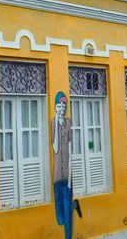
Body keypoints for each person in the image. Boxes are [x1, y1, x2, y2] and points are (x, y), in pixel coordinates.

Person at [51, 91, 73, 239]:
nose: (62, 107)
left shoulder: (69, 122)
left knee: (67, 208)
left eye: (64, 104)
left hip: (67, 175)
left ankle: (68, 236)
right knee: (60, 211)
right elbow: (56, 148)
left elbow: (70, 146)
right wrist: (58, 124)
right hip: (58, 174)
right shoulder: (53, 122)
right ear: (55, 107)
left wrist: (71, 173)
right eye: (59, 104)